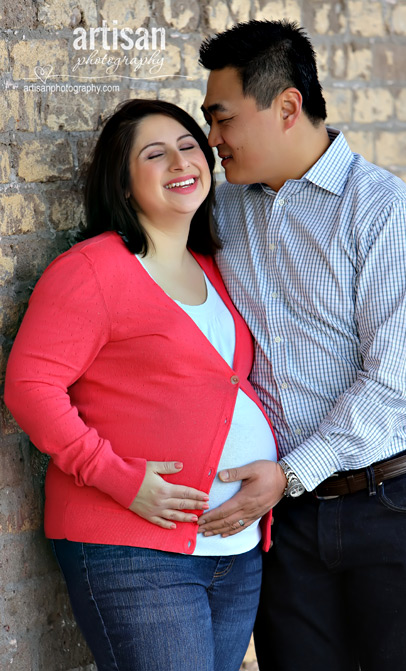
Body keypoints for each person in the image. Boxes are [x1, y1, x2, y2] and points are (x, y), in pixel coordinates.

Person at [197, 19, 406, 671]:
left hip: (402, 499)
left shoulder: (390, 216)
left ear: (285, 107)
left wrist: (287, 472)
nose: (212, 139)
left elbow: (394, 383)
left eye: (221, 118)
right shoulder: (221, 210)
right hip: (289, 518)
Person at [4, 99, 278, 671]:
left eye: (188, 146)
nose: (181, 160)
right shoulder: (93, 269)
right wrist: (121, 479)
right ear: (124, 185)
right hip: (134, 550)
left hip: (233, 552)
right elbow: (31, 386)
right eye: (154, 154)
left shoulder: (211, 266)